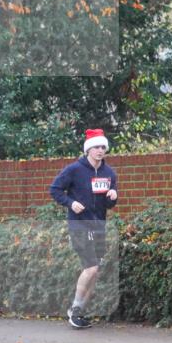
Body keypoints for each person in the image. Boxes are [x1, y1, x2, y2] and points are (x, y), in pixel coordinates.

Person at [49, 129, 118, 329]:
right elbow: (54, 190)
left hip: (98, 226)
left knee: (95, 272)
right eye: (96, 147)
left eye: (103, 147)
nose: (100, 150)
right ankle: (76, 310)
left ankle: (78, 311)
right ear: (88, 149)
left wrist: (113, 196)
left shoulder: (109, 173)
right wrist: (70, 203)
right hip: (79, 225)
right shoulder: (74, 170)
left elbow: (109, 205)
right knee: (91, 267)